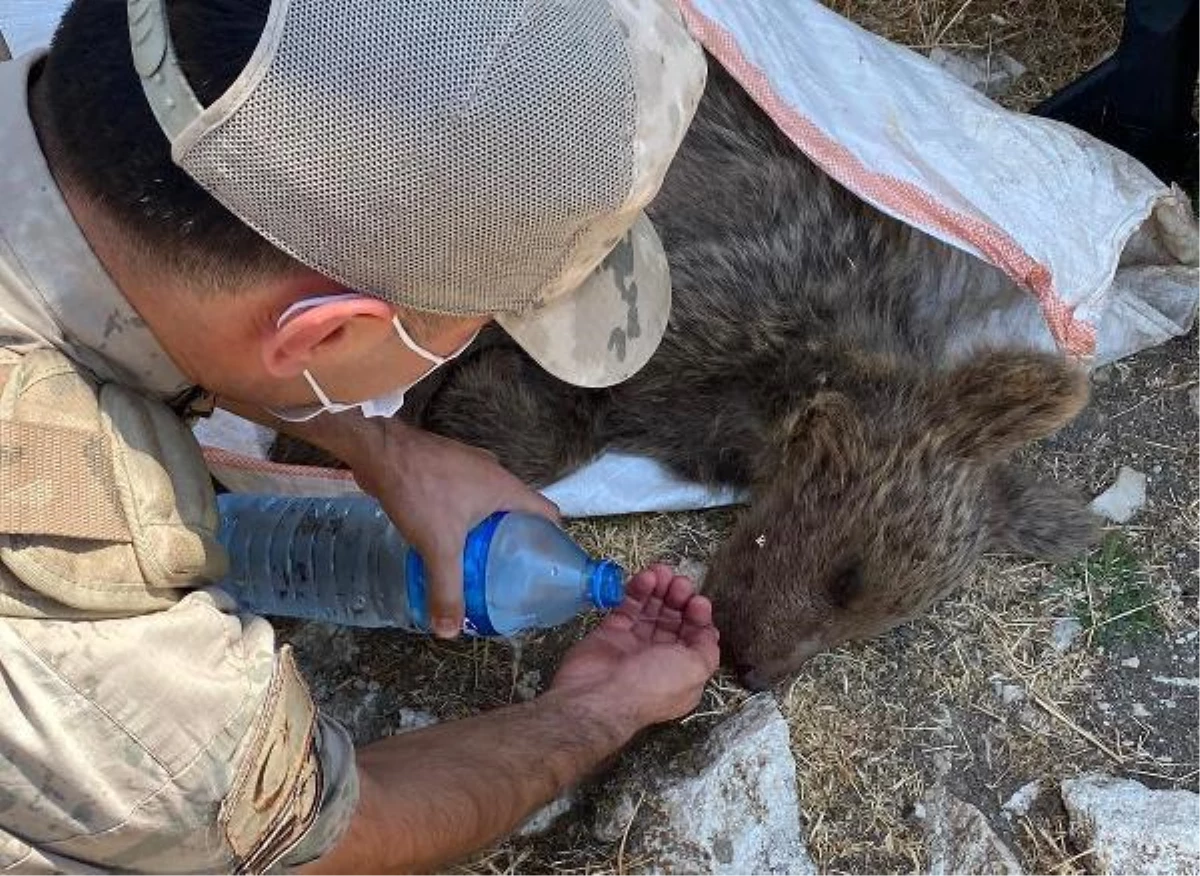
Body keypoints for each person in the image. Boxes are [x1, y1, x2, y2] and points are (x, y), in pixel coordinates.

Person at [0, 0, 720, 872]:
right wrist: (600, 709)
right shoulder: (86, 631)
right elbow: (334, 836)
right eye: (480, 320)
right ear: (323, 335)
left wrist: (386, 450)